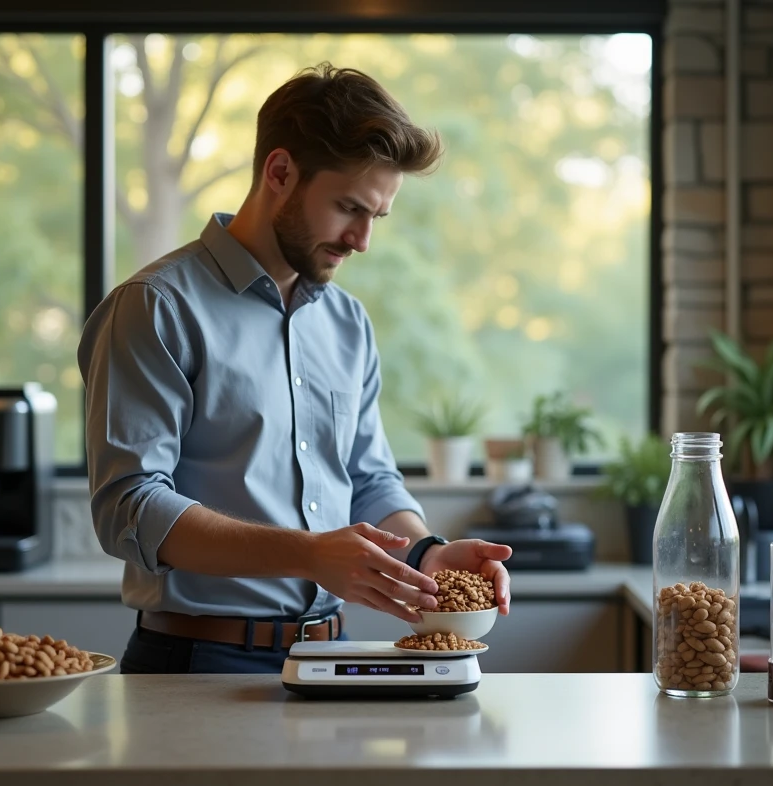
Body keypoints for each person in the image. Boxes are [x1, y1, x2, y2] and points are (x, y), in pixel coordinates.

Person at [78, 63, 514, 675]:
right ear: (279, 173)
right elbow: (128, 508)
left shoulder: (347, 323)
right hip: (197, 662)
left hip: (329, 657)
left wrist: (423, 552)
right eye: (348, 208)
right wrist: (309, 554)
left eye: (376, 217)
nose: (362, 240)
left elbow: (367, 476)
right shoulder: (157, 306)